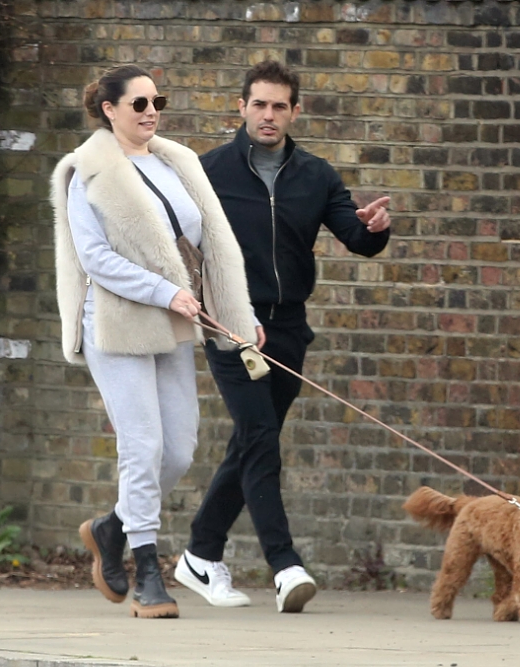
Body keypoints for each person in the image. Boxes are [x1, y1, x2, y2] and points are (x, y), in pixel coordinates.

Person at [174, 60, 391, 613]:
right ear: (242, 108)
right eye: (259, 105)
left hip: (289, 327)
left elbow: (356, 237)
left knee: (253, 441)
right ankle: (285, 564)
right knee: (261, 437)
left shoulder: (316, 176)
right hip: (231, 324)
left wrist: (373, 229)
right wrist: (208, 306)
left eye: (279, 106)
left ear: (295, 111)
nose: (268, 115)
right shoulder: (207, 173)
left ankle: (199, 552)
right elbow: (176, 245)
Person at [50, 65, 260, 619]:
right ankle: (147, 569)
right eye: (138, 103)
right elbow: (95, 258)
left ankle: (112, 527)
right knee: (142, 447)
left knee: (178, 451)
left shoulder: (175, 162)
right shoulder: (87, 173)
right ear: (109, 109)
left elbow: (211, 246)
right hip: (116, 321)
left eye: (156, 102)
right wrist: (165, 292)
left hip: (172, 320)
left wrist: (238, 316)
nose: (151, 112)